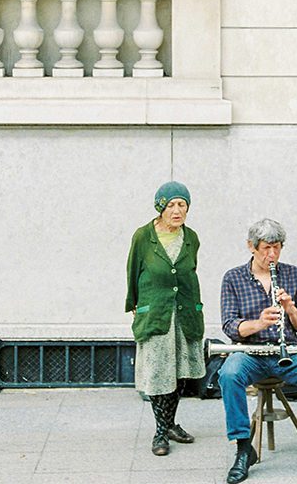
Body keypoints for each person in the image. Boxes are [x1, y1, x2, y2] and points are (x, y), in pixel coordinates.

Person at [218, 218, 297, 483]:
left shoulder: (291, 273)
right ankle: (244, 449)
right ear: (251, 247)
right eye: (266, 248)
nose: (272, 255)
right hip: (250, 353)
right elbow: (230, 327)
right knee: (228, 374)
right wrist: (259, 323)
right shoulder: (233, 278)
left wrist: (290, 309)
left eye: (277, 248)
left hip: (288, 349)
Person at [125, 181, 205, 456]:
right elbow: (132, 271)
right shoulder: (143, 236)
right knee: (158, 372)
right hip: (156, 313)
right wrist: (135, 304)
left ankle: (169, 423)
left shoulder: (191, 237)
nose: (177, 210)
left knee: (181, 371)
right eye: (171, 204)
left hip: (184, 313)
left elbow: (189, 270)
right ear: (160, 207)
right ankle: (161, 432)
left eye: (182, 204)